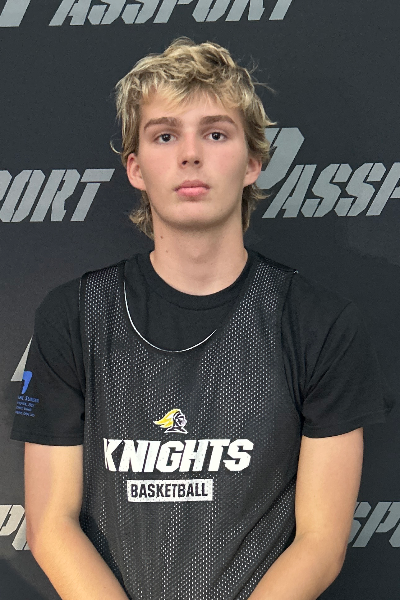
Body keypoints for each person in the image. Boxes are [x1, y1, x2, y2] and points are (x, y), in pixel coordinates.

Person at [11, 37, 392, 600]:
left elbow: (321, 542)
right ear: (136, 168)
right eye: (165, 136)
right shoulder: (73, 316)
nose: (190, 155)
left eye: (215, 134)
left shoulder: (319, 323)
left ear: (253, 163)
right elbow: (51, 525)